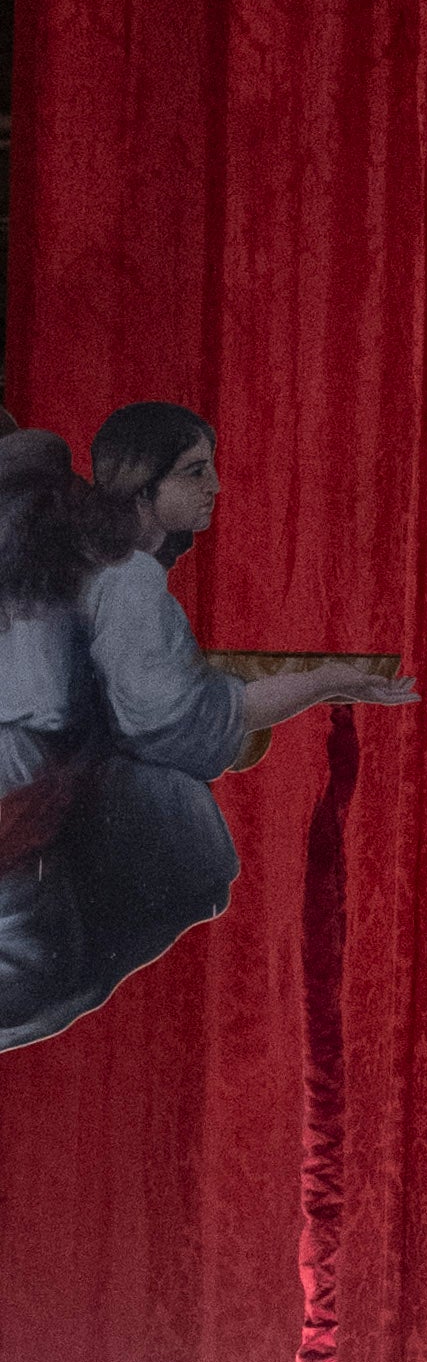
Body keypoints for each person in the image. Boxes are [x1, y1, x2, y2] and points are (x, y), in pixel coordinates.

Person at [0, 404, 405, 1061]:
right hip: (22, 805)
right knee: (167, 847)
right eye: (194, 471)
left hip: (29, 800)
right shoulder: (113, 569)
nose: (215, 486)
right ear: (142, 483)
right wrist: (321, 682)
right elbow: (168, 722)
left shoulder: (49, 549)